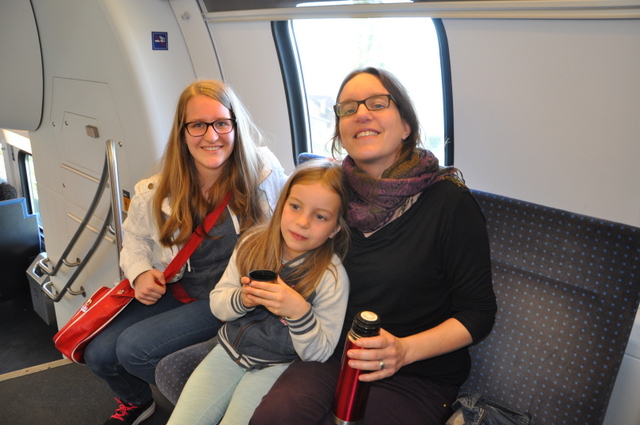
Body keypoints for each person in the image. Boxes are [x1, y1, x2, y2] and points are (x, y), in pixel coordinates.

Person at [249, 67, 497, 425]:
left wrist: (404, 350)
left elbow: (478, 313)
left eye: (377, 104)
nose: (361, 114)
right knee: (273, 418)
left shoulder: (450, 203)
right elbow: (289, 245)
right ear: (340, 131)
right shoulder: (332, 193)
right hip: (331, 353)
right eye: (348, 108)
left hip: (415, 374)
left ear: (406, 126)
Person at [83, 79, 288, 425]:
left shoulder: (263, 173)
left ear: (235, 126)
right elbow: (134, 241)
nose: (211, 136)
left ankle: (209, 400)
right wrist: (140, 272)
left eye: (221, 123)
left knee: (133, 349)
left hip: (232, 298)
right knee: (99, 353)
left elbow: (294, 227)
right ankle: (138, 402)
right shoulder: (156, 189)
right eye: (198, 125)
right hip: (180, 290)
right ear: (182, 131)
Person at [166, 159, 350, 425]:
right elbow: (217, 304)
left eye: (320, 217)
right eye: (295, 207)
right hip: (228, 352)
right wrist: (242, 299)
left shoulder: (330, 277)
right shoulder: (252, 243)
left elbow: (319, 353)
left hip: (277, 366)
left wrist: (299, 312)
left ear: (335, 229)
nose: (302, 222)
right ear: (281, 205)